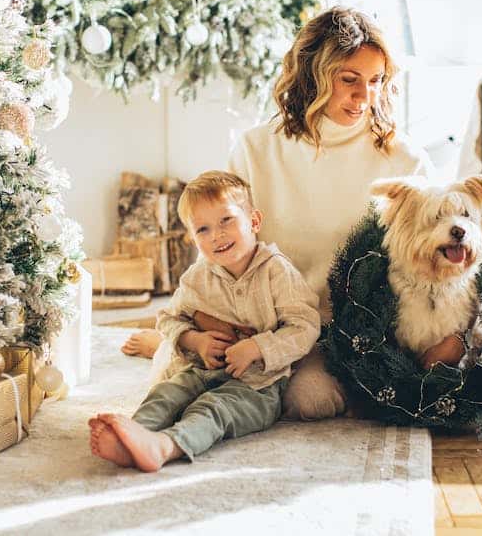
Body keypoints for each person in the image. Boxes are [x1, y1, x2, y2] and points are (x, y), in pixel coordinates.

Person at [121, 6, 465, 419]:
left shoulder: (403, 159)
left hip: (348, 333)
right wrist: (206, 317)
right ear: (313, 76)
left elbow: (440, 252)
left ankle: (161, 343)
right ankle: (161, 343)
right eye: (349, 80)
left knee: (309, 401)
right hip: (264, 321)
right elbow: (218, 235)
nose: (364, 97)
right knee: (187, 380)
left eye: (376, 81)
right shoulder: (256, 148)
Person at [90, 170, 320, 472]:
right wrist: (194, 341)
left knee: (212, 409)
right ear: (193, 239)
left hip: (258, 387)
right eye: (203, 229)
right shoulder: (198, 277)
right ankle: (132, 435)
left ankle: (166, 446)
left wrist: (257, 347)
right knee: (167, 393)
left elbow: (305, 326)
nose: (217, 235)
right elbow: (170, 319)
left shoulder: (276, 272)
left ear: (254, 221)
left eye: (227, 220)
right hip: (200, 372)